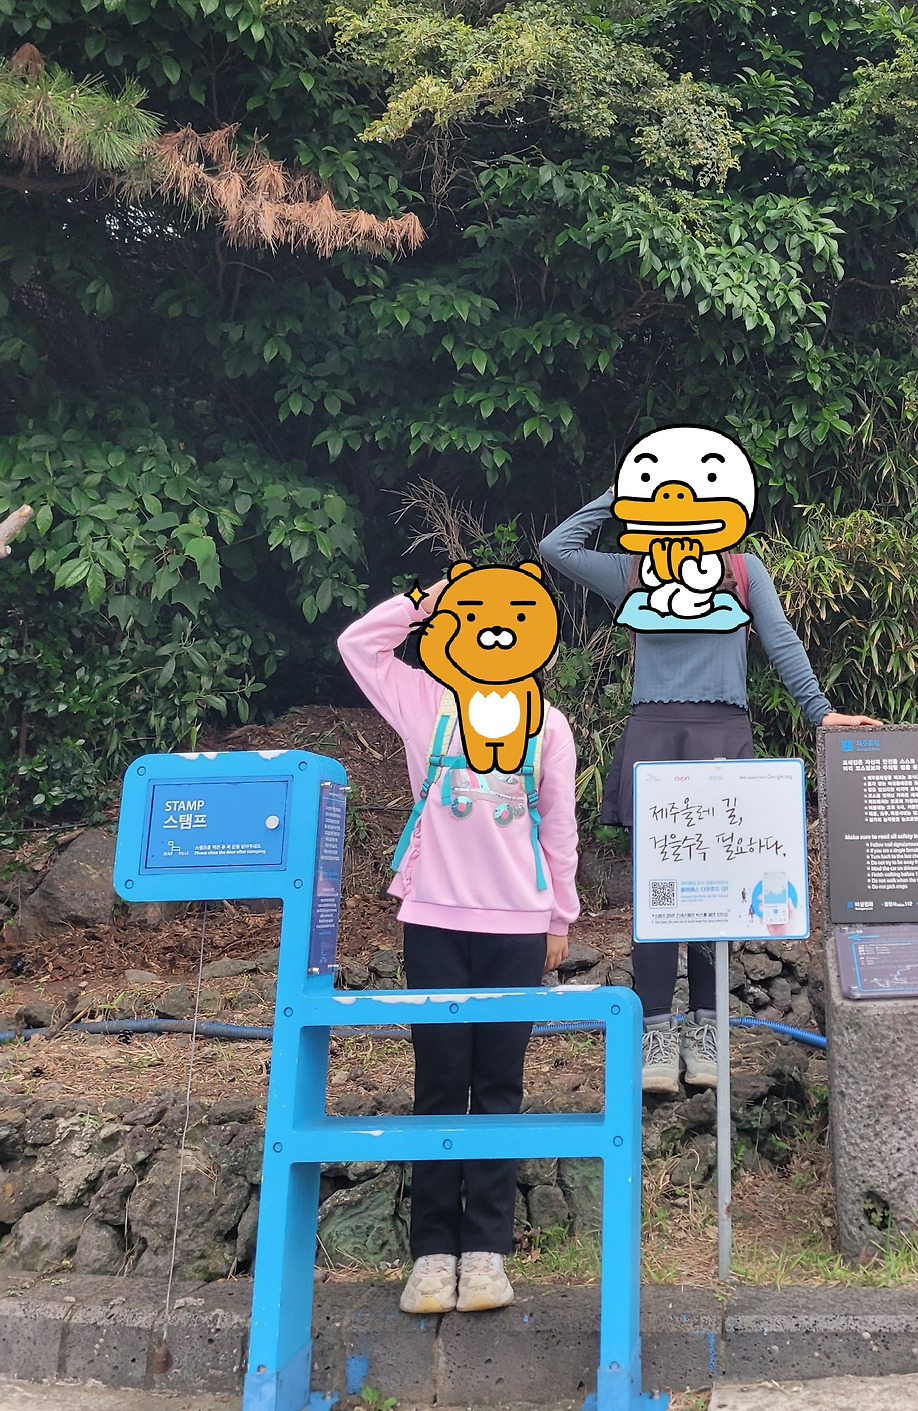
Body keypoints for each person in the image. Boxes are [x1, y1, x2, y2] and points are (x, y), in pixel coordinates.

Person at [539, 449, 878, 1096]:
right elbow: (556, 547)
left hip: (723, 731)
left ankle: (705, 1028)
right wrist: (619, 492)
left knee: (714, 893)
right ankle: (655, 1033)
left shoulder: (743, 570)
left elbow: (781, 640)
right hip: (654, 732)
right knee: (658, 894)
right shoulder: (633, 569)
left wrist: (821, 711)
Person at [338, 581, 579, 1316]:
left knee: (499, 1084)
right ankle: (432, 1253)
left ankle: (486, 1253)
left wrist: (559, 919)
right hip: (434, 919)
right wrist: (426, 596)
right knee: (439, 1081)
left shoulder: (549, 725)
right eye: (475, 620)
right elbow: (358, 644)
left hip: (519, 924)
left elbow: (558, 826)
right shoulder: (426, 703)